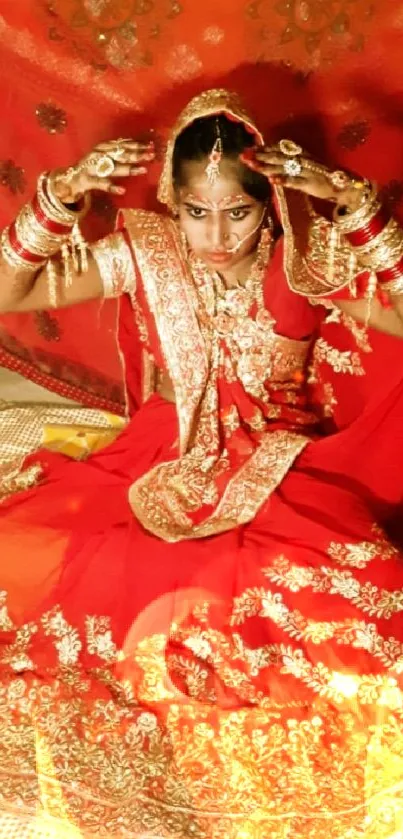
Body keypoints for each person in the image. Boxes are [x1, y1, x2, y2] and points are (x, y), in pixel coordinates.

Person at [0, 88, 403, 838]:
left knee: (350, 603)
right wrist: (58, 198)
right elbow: (8, 288)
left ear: (267, 203)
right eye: (196, 211)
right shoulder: (145, 254)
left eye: (238, 212)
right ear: (171, 202)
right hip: (163, 450)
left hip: (284, 461)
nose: (216, 235)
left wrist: (349, 202)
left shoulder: (301, 258)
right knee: (84, 565)